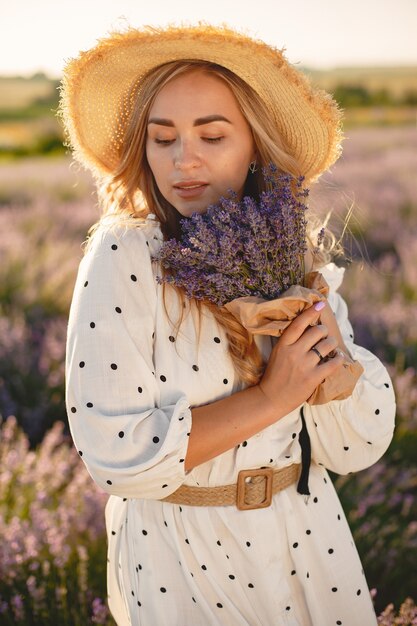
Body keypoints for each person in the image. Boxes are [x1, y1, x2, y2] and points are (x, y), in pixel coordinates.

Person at [60, 25, 396, 626]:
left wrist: (338, 377)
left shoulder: (292, 255)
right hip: (184, 558)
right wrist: (274, 396)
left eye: (212, 135)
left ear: (255, 146)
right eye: (162, 140)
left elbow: (354, 448)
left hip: (308, 540)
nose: (183, 159)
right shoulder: (125, 253)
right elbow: (118, 456)